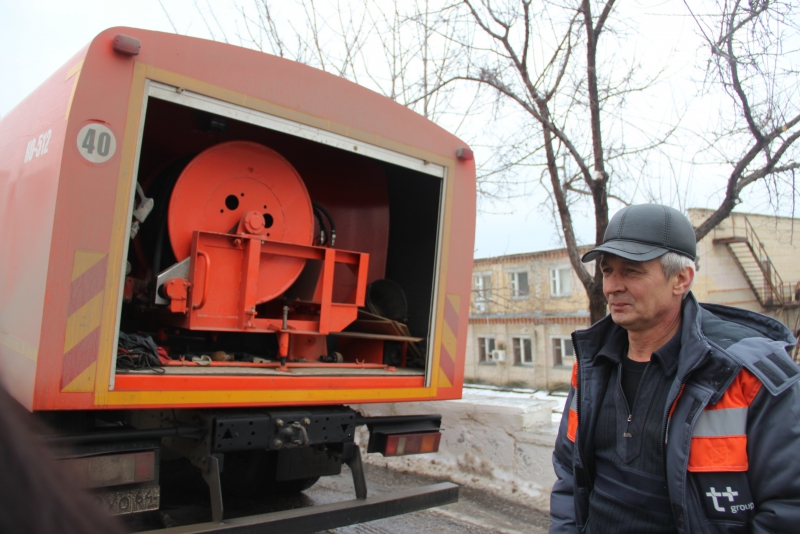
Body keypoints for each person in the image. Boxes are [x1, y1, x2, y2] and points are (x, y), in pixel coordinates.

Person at [550, 204, 800, 534]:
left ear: (681, 279)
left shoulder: (746, 376)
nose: (612, 286)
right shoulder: (591, 364)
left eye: (632, 271)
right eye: (608, 270)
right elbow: (570, 471)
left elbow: (789, 508)